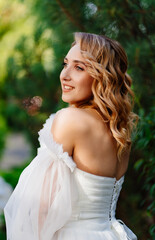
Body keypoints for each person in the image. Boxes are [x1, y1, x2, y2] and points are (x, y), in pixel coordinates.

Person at [4, 32, 138, 240]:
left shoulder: (70, 120)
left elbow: (39, 211)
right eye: (65, 64)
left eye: (79, 68)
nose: (64, 75)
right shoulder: (119, 130)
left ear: (101, 75)